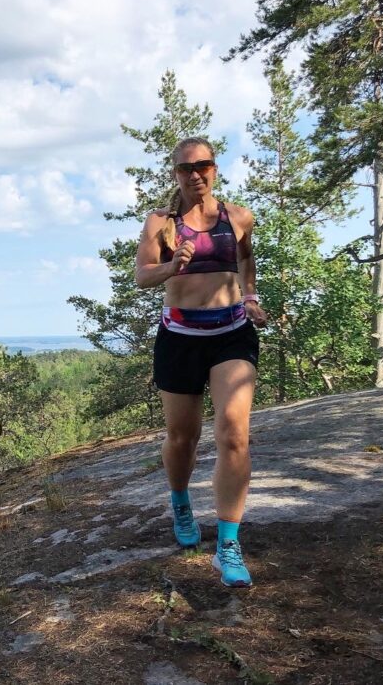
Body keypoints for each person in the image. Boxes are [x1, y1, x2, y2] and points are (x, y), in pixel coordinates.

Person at [135, 136, 267, 587]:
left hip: (231, 333)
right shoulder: (161, 223)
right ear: (175, 174)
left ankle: (228, 545)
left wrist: (249, 297)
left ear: (215, 168)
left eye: (203, 165)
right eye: (185, 168)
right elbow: (140, 275)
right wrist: (172, 267)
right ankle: (180, 502)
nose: (195, 174)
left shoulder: (239, 217)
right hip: (180, 336)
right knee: (182, 437)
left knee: (234, 434)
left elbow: (246, 258)